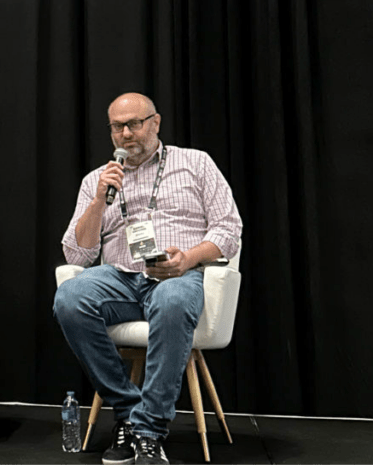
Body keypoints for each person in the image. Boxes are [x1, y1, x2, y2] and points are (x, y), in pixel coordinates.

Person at [54, 93, 242, 465]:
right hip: (121, 277)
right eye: (118, 127)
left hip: (177, 273)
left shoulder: (195, 163)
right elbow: (77, 254)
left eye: (134, 124)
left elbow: (229, 229)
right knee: (69, 299)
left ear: (155, 123)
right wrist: (98, 202)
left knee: (172, 300)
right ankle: (128, 409)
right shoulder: (98, 179)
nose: (127, 134)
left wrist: (188, 258)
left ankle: (148, 430)